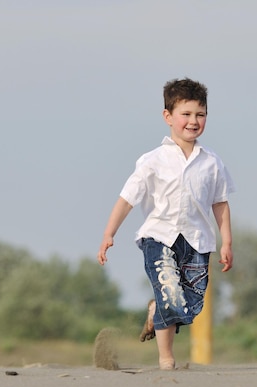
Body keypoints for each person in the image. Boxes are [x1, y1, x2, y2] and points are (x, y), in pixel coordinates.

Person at [97, 77, 235, 370]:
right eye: (185, 114)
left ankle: (155, 308)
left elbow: (220, 204)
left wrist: (227, 242)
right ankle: (166, 359)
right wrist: (110, 233)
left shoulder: (212, 163)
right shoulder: (152, 160)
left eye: (200, 114)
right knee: (170, 294)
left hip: (198, 240)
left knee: (191, 305)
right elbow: (127, 199)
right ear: (168, 116)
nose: (193, 121)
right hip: (159, 238)